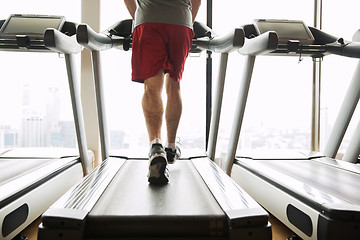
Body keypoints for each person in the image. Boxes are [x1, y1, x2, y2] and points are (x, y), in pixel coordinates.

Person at [124, 0, 201, 184]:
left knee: (152, 86)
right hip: (180, 21)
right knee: (174, 84)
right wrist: (188, 22)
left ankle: (156, 147)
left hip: (148, 19)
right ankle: (171, 148)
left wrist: (140, 18)